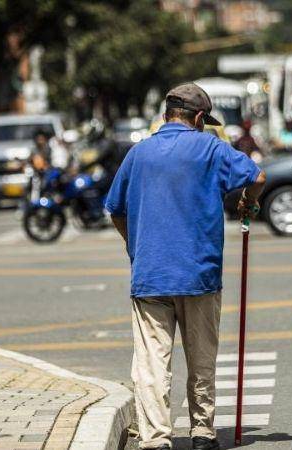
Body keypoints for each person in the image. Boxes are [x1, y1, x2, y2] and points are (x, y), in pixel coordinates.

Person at [104, 83, 266, 450]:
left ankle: (156, 439)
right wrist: (246, 202)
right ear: (197, 118)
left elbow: (115, 209)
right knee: (202, 359)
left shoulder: (138, 153)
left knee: (151, 364)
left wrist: (135, 244)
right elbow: (257, 177)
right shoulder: (211, 147)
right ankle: (203, 433)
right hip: (200, 276)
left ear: (165, 116)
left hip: (151, 276)